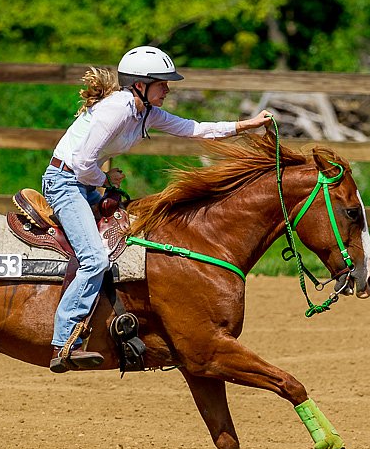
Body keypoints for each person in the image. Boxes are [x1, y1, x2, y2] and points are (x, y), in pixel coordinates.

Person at [36, 45, 272, 373]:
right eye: (162, 83)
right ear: (140, 85)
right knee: (94, 258)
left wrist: (246, 125)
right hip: (65, 183)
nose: (168, 89)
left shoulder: (146, 112)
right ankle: (65, 342)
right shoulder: (117, 110)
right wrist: (105, 178)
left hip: (82, 182)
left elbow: (195, 129)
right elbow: (81, 163)